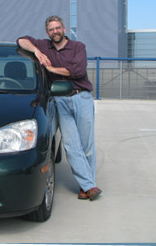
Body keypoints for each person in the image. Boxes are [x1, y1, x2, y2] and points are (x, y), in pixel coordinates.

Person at [17, 15, 102, 201]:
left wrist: (51, 69)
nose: (54, 32)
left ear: (64, 29)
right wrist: (37, 53)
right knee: (71, 145)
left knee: (87, 145)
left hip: (81, 98)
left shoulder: (78, 47)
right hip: (60, 101)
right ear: (47, 32)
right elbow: (21, 40)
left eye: (57, 28)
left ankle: (85, 185)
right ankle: (89, 186)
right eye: (50, 29)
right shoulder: (44, 45)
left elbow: (77, 71)